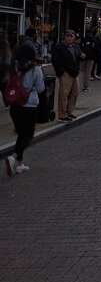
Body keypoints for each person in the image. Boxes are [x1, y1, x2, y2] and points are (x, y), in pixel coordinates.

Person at [4, 44, 45, 176]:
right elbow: (41, 89)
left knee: (21, 134)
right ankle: (13, 156)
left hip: (15, 106)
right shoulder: (36, 69)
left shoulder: (15, 67)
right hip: (29, 106)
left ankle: (19, 164)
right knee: (28, 135)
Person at [51, 30, 81, 122]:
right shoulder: (59, 47)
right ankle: (62, 114)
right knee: (64, 94)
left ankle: (69, 111)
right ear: (64, 37)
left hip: (74, 73)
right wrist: (60, 71)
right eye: (67, 36)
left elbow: (78, 57)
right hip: (65, 73)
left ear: (74, 38)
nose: (69, 38)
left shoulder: (76, 47)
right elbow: (55, 59)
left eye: (71, 36)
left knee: (75, 92)